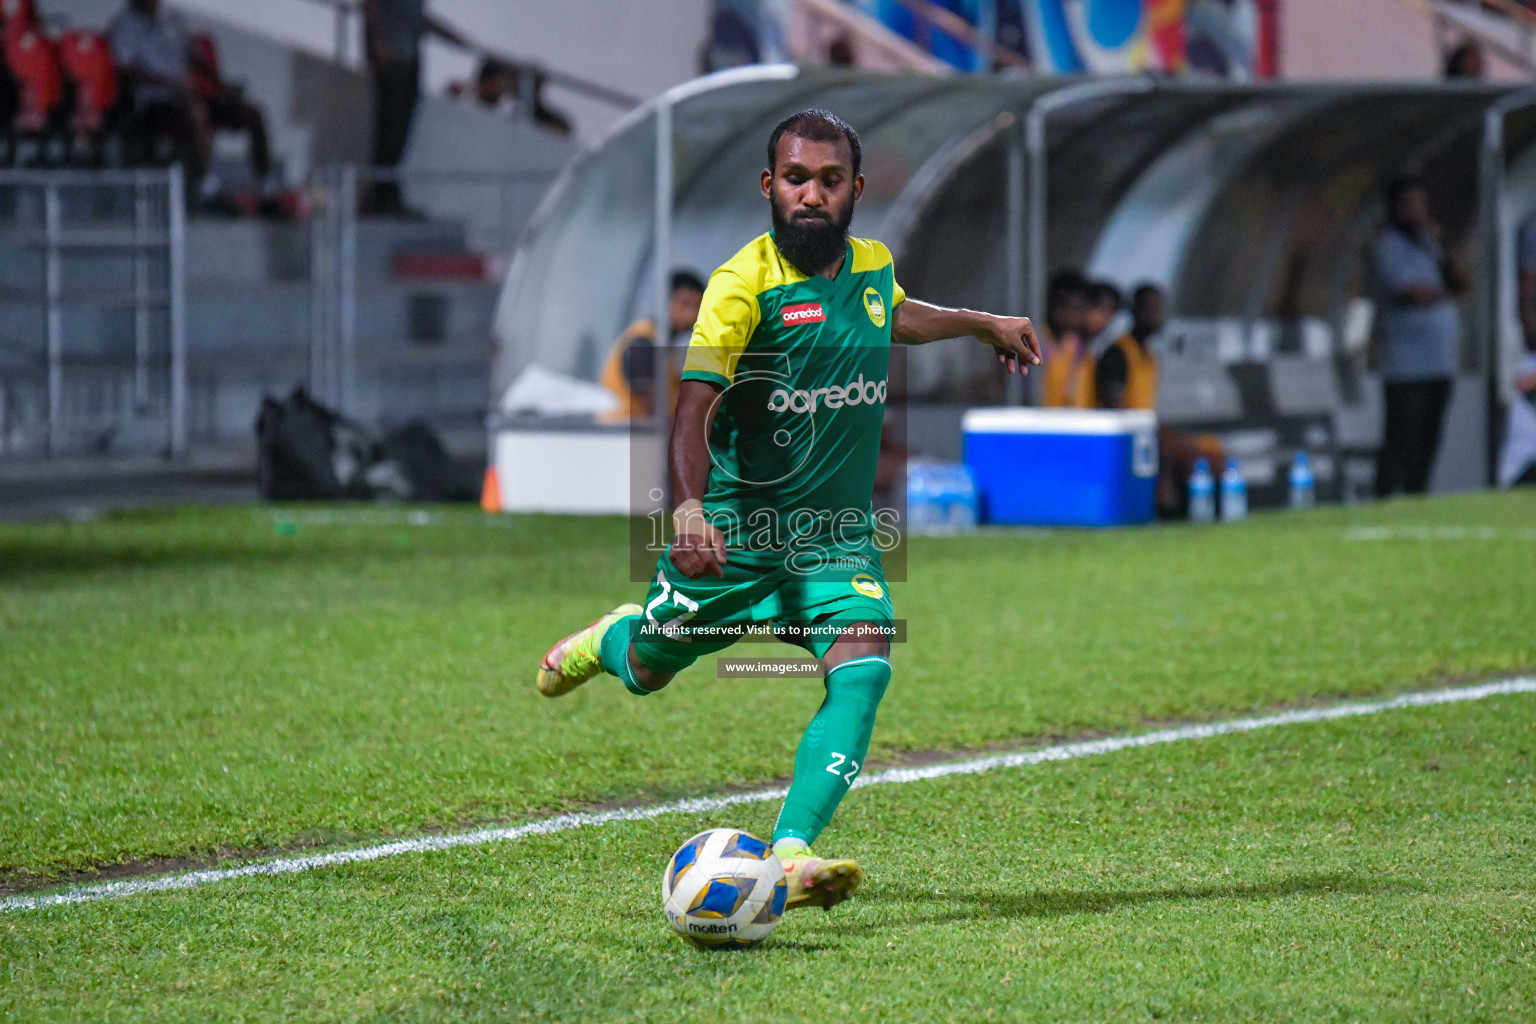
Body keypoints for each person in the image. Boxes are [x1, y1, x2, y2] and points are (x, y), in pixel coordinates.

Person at [534, 109, 1040, 912]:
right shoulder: (743, 286)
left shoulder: (871, 267)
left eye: (830, 182)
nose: (812, 195)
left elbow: (894, 314)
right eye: (797, 179)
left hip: (836, 540)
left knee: (865, 670)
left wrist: (981, 324)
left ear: (855, 190)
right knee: (648, 671)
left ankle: (794, 853)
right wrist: (691, 509)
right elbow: (693, 404)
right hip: (737, 536)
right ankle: (612, 636)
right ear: (770, 186)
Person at [108, 0, 282, 215]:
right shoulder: (123, 24)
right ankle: (207, 188)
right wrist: (169, 83)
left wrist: (221, 84)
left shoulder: (172, 18)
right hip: (153, 104)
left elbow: (193, 55)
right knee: (195, 112)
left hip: (188, 95)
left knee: (251, 113)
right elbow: (126, 69)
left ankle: (268, 190)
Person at [1370, 174, 1470, 497]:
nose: (1417, 212)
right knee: (1400, 439)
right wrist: (1447, 294)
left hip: (1440, 362)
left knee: (1428, 440)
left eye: (1421, 204)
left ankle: (1417, 498)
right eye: (1409, 204)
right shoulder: (1386, 246)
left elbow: (1463, 281)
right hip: (1405, 366)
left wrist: (1444, 244)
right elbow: (1410, 293)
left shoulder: (1430, 245)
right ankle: (1384, 502)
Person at [1095, 283, 1227, 517]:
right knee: (1175, 454)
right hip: (1129, 434)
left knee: (1211, 448)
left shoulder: (1149, 355)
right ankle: (1168, 511)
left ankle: (1203, 512)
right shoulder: (1118, 354)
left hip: (1150, 430)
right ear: (1134, 311)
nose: (1155, 316)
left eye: (1158, 310)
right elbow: (1115, 408)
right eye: (1149, 309)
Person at [362, 0, 467, 215]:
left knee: (401, 131)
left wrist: (447, 34)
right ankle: (382, 196)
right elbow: (370, 6)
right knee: (390, 130)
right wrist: (377, 44)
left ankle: (389, 193)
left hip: (409, 57)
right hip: (393, 59)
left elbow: (414, 19)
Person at [597, 270, 705, 423]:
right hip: (622, 436)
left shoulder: (664, 347)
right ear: (665, 301)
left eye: (697, 306)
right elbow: (656, 408)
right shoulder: (642, 341)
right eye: (685, 304)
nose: (692, 314)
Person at [453, 57, 572, 135]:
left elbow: (563, 127)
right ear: (485, 80)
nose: (503, 86)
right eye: (499, 80)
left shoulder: (513, 110)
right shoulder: (463, 100)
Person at [1040, 269, 1093, 408]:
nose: (1079, 316)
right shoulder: (1036, 343)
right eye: (1074, 308)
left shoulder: (1080, 348)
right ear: (1055, 306)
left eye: (1082, 309)